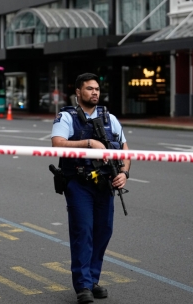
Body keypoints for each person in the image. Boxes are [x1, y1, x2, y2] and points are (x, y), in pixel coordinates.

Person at [51, 73, 131, 304]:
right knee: (83, 231)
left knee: (103, 231)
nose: (95, 92)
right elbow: (57, 144)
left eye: (97, 88)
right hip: (78, 183)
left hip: (105, 184)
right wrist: (89, 143)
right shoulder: (66, 116)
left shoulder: (110, 118)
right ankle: (83, 285)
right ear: (78, 92)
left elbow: (125, 149)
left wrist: (124, 174)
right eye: (89, 89)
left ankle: (93, 279)